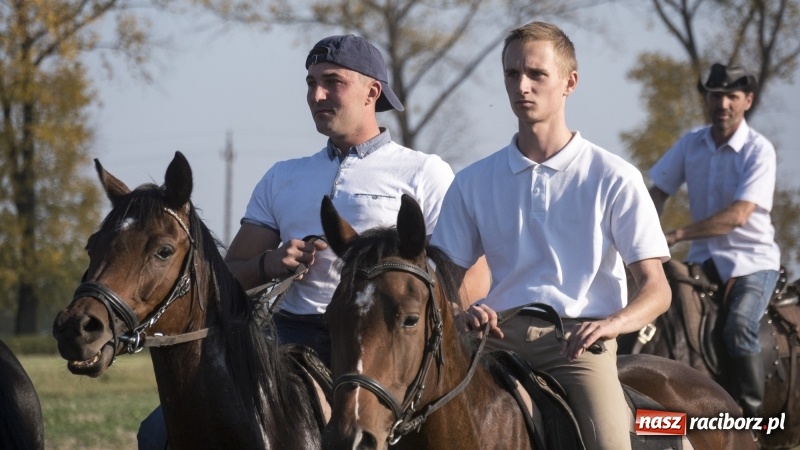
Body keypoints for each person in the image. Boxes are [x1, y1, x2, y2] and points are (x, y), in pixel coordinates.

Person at [138, 34, 489, 450]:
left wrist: (451, 309)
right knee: (156, 431)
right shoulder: (282, 177)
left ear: (371, 92)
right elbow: (228, 278)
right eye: (310, 82)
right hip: (283, 343)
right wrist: (270, 263)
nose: (316, 94)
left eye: (332, 81)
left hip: (377, 346)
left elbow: (473, 272)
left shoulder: (424, 173)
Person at [430, 21, 671, 450]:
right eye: (511, 74)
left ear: (569, 83)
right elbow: (444, 281)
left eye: (536, 74)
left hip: (576, 347)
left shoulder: (613, 177)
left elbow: (657, 290)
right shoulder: (472, 181)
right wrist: (457, 313)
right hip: (491, 342)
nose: (522, 85)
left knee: (610, 444)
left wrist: (611, 325)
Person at [648, 62, 780, 418]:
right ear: (706, 99)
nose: (722, 104)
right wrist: (637, 233)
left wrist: (675, 235)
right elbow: (657, 192)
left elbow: (738, 215)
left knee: (739, 326)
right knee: (660, 316)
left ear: (747, 100)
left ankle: (752, 421)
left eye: (731, 97)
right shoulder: (691, 143)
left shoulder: (759, 150)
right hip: (702, 260)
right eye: (715, 96)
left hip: (753, 261)